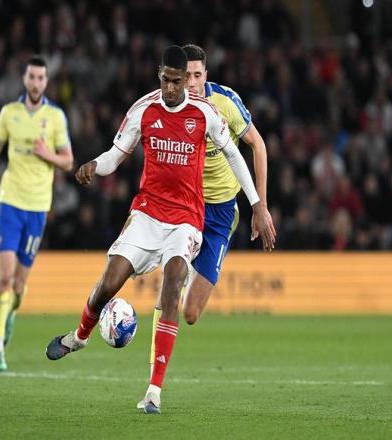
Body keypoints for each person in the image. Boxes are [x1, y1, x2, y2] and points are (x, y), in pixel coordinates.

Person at [45, 46, 275, 414]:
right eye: (166, 80)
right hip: (148, 213)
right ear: (160, 75)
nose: (171, 87)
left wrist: (257, 204)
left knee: (174, 282)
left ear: (187, 80)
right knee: (110, 281)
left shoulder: (205, 112)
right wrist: (94, 166)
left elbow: (235, 155)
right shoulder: (143, 109)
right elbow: (116, 154)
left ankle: (154, 390)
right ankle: (80, 336)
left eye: (177, 81)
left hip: (186, 218)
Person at [137, 44, 276, 408]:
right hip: (185, 206)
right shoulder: (172, 108)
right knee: (170, 288)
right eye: (187, 77)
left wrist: (260, 206)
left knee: (191, 313)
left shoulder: (225, 104)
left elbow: (258, 145)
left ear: (206, 76)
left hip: (220, 213)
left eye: (198, 76)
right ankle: (153, 383)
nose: (192, 83)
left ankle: (182, 281)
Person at [0, 55, 73, 372]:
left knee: (19, 285)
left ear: (46, 82)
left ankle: (11, 312)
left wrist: (47, 154)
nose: (36, 82)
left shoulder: (55, 117)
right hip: (10, 201)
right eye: (31, 77)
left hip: (37, 208)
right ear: (24, 79)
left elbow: (68, 161)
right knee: (5, 278)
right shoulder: (10, 113)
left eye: (41, 78)